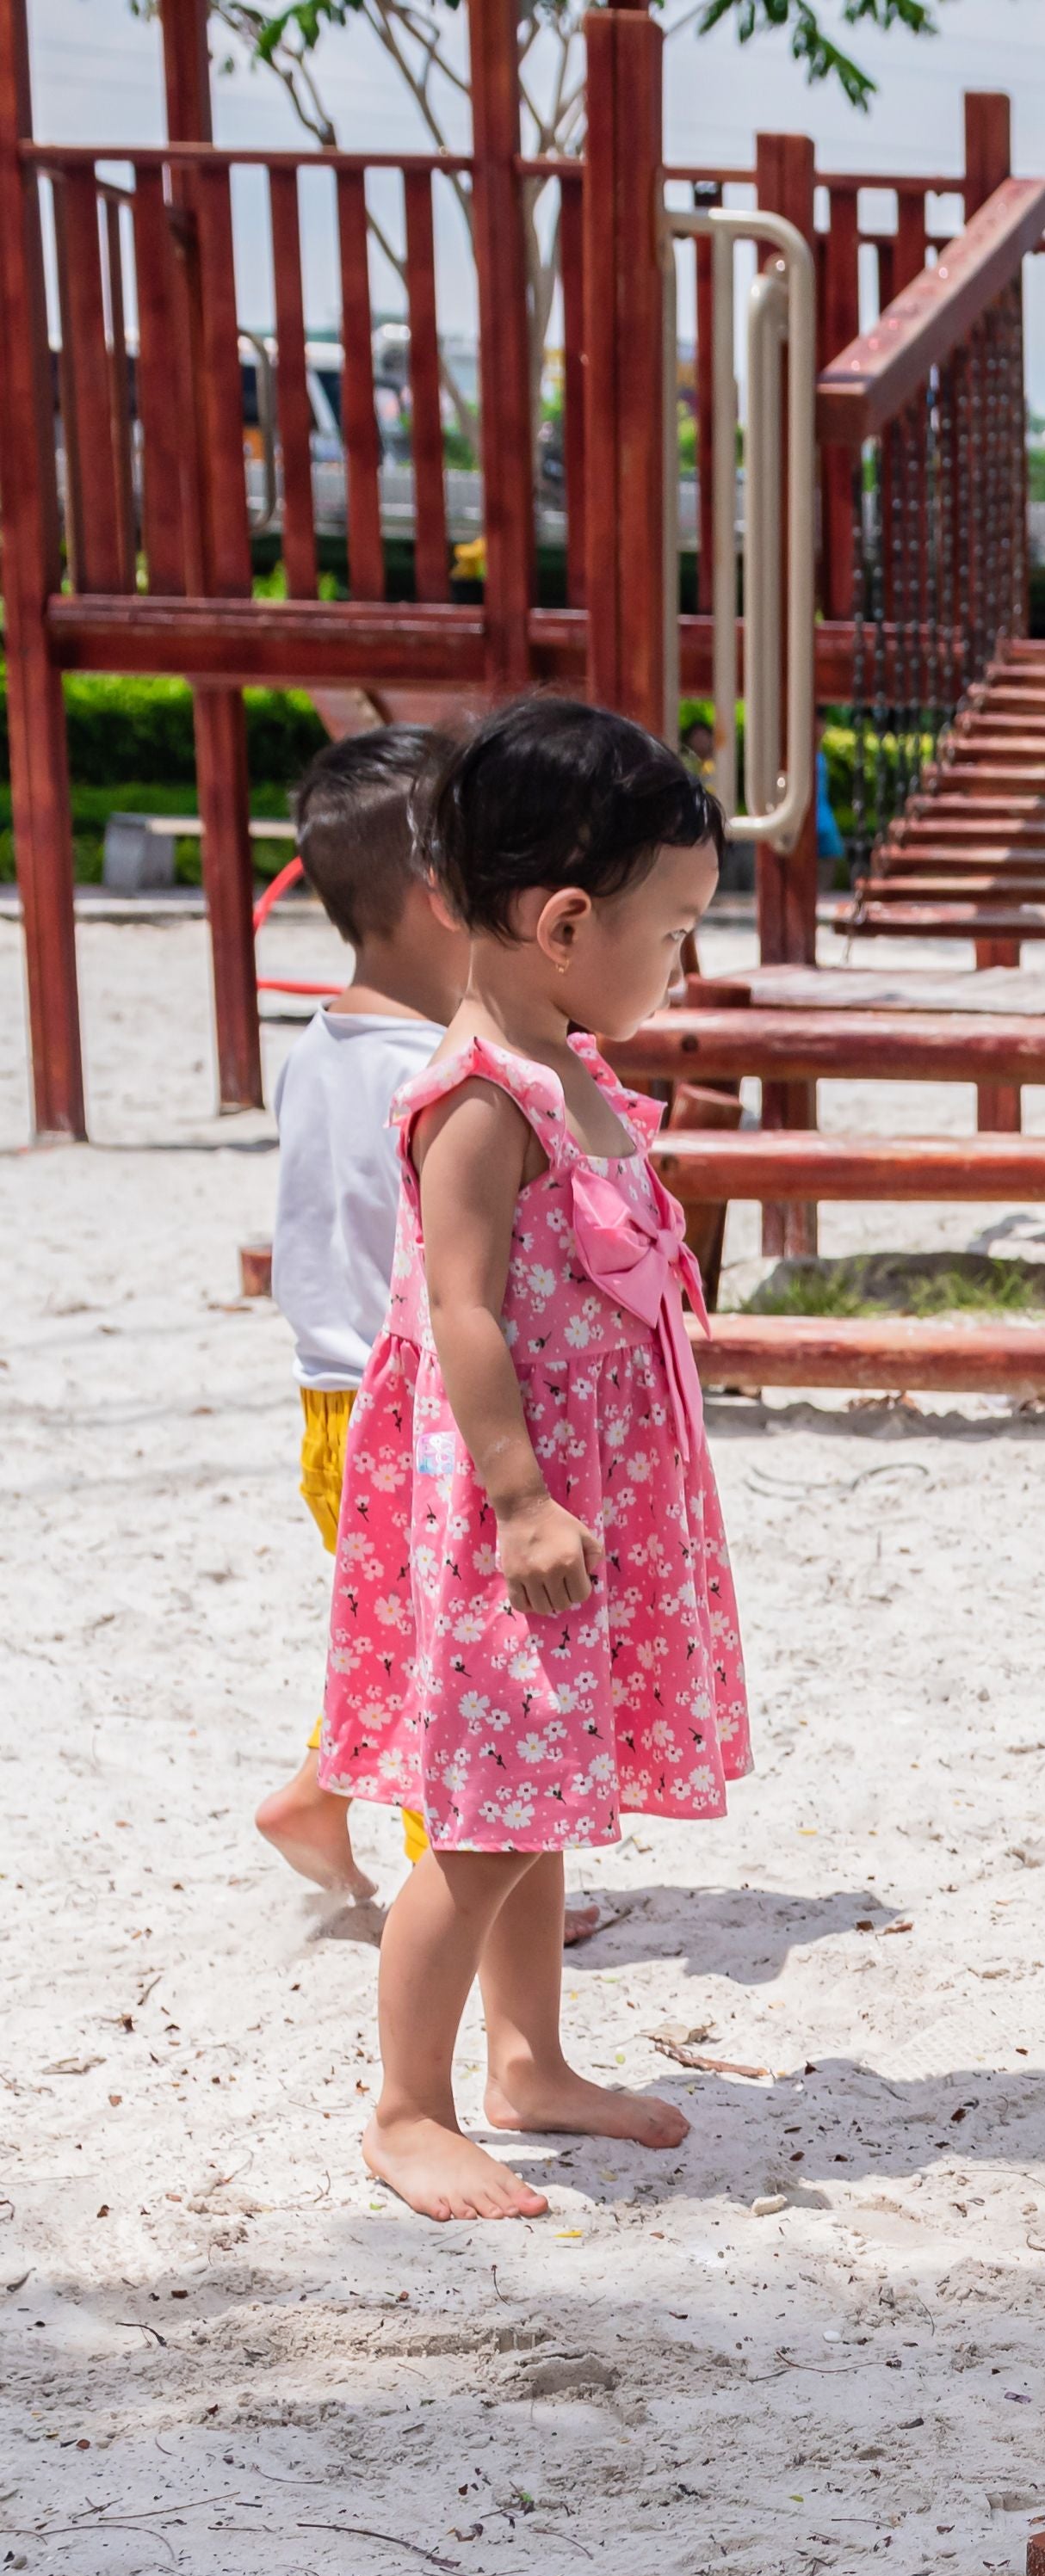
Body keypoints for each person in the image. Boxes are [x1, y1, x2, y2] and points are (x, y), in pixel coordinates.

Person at [319, 696, 747, 2219]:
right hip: (520, 1502)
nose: (682, 962)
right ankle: (407, 2105)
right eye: (674, 929)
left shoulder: (564, 1059)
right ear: (566, 921)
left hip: (592, 1491)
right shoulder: (481, 1098)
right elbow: (457, 1311)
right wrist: (519, 1497)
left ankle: (528, 2059)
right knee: (491, 1818)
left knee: (549, 1791)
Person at [255, 727, 463, 1898]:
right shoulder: (427, 1072)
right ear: (446, 892)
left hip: (328, 1405)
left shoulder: (318, 1048)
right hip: (410, 1411)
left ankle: (318, 1792)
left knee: (398, 1628)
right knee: (454, 1652)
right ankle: (468, 1884)